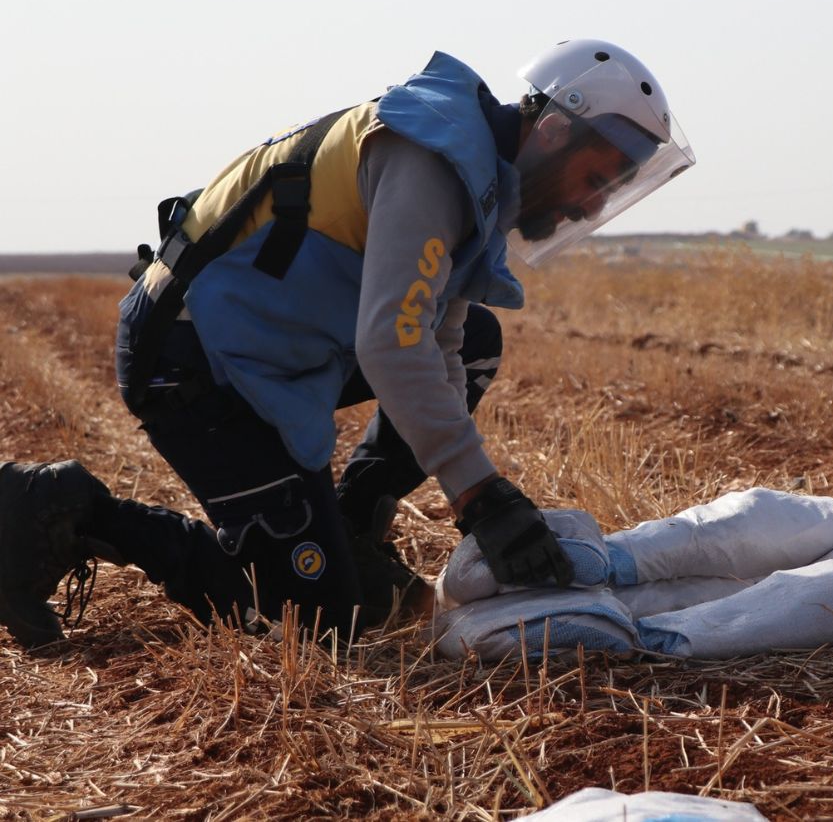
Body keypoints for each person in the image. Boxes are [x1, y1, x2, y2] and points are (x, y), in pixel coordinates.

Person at [0, 40, 695, 650]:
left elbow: (443, 344)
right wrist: (482, 498)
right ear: (553, 130)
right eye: (595, 179)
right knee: (316, 623)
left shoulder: (472, 174)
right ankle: (71, 512)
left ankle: (350, 521)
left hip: (270, 344)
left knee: (477, 340)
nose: (588, 207)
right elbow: (393, 345)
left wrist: (477, 495)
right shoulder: (431, 160)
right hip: (192, 362)